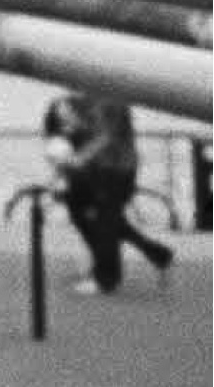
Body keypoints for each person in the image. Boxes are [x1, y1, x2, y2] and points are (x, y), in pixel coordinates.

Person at [45, 89, 175, 295]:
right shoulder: (86, 99)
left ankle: (106, 279)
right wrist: (68, 120)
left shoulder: (109, 98)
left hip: (115, 169)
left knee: (106, 222)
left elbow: (107, 136)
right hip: (96, 169)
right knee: (107, 221)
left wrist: (81, 158)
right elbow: (85, 129)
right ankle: (157, 254)